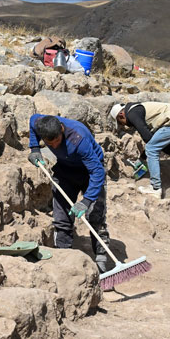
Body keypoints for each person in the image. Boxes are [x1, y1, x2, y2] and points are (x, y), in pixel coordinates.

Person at [27, 114, 113, 271]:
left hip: (90, 173)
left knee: (95, 216)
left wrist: (86, 201)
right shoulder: (41, 124)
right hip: (65, 170)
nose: (53, 146)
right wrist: (34, 148)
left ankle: (101, 262)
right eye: (49, 144)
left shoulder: (78, 139)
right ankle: (64, 259)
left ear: (61, 129)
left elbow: (97, 172)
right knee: (62, 218)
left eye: (57, 142)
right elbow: (32, 120)